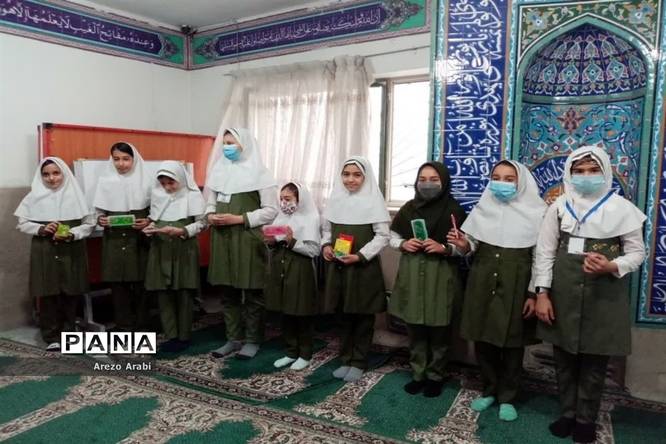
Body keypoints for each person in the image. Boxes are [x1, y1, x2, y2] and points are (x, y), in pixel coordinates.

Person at [533, 145, 646, 443]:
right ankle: (567, 414)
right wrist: (542, 293)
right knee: (564, 358)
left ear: (605, 172)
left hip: (604, 294)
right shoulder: (558, 207)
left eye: (593, 170)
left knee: (595, 363)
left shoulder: (622, 209)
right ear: (569, 175)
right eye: (579, 171)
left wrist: (611, 265)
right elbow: (544, 252)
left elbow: (637, 253)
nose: (586, 176)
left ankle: (586, 419)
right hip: (563, 292)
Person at [447, 160, 546, 419]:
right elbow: (470, 245)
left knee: (512, 343)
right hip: (482, 283)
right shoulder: (484, 208)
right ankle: (489, 390)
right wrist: (462, 244)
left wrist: (533, 294)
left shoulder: (539, 213)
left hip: (517, 286)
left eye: (509, 179)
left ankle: (508, 397)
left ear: (521, 183)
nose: (501, 183)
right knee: (484, 340)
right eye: (496, 177)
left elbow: (541, 258)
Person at [389, 161, 467, 397]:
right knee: (415, 328)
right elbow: (391, 237)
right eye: (422, 179)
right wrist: (403, 243)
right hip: (412, 271)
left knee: (440, 329)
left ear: (444, 182)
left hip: (440, 274)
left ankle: (435, 376)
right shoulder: (408, 209)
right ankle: (418, 373)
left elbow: (466, 247)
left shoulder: (454, 211)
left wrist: (445, 248)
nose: (427, 184)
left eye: (434, 180)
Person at [206, 128, 278, 359]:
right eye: (225, 143)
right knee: (228, 292)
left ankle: (253, 340)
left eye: (232, 143)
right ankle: (232, 338)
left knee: (252, 292)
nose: (227, 147)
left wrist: (239, 219)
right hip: (222, 239)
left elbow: (271, 210)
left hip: (247, 238)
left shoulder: (261, 174)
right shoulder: (218, 171)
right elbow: (209, 203)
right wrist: (210, 215)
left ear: (245, 145)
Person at [321, 156, 390, 382]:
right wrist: (326, 246)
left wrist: (360, 256)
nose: (350, 179)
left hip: (362, 268)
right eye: (346, 174)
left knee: (362, 317)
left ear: (365, 177)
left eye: (357, 175)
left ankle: (359, 361)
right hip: (339, 267)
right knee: (343, 314)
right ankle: (346, 358)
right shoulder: (335, 199)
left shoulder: (373, 202)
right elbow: (326, 230)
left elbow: (383, 236)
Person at [15, 157, 95, 351]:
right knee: (48, 293)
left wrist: (72, 233)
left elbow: (89, 224)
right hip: (45, 249)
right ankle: (51, 336)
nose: (51, 178)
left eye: (56, 173)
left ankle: (69, 333)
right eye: (46, 174)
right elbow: (22, 223)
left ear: (64, 173)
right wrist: (41, 228)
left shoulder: (78, 196)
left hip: (71, 248)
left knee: (71, 291)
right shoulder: (33, 197)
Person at [143, 161, 206, 353]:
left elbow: (203, 224)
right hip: (161, 248)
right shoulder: (158, 195)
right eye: (163, 184)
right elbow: (154, 219)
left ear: (181, 179)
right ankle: (171, 335)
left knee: (184, 293)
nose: (167, 187)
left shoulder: (192, 195)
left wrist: (183, 231)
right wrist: (150, 228)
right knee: (163, 293)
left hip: (184, 248)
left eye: (171, 182)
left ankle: (184, 336)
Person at [93, 142, 152, 331]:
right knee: (118, 285)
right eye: (116, 159)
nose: (121, 164)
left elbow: (157, 210)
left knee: (141, 284)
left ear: (134, 159)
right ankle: (123, 326)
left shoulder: (147, 181)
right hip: (114, 241)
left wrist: (148, 220)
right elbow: (97, 211)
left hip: (139, 240)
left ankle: (142, 325)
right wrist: (100, 219)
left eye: (126, 159)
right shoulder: (105, 181)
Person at [265, 182, 320, 371]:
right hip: (280, 266)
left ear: (299, 199)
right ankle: (290, 352)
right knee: (286, 312)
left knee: (301, 313)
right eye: (281, 199)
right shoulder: (281, 217)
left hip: (300, 268)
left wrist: (291, 241)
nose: (283, 203)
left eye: (288, 199)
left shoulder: (311, 218)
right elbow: (273, 241)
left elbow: (313, 250)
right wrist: (270, 241)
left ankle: (305, 354)